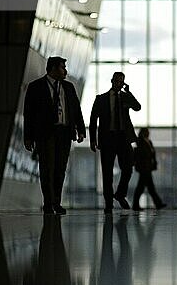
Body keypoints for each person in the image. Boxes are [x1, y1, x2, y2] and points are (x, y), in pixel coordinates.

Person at [24, 56, 85, 215]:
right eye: (62, 67)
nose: (65, 71)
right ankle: (48, 203)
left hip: (65, 132)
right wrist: (28, 137)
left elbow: (76, 110)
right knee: (47, 168)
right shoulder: (36, 87)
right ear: (53, 69)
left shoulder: (68, 87)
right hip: (45, 133)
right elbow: (28, 114)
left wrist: (81, 129)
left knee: (60, 169)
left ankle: (56, 202)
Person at [89, 72, 142, 214]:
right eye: (117, 81)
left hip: (124, 138)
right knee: (107, 172)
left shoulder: (125, 97)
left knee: (128, 167)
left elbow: (138, 107)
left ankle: (120, 194)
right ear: (112, 81)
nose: (119, 84)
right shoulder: (101, 99)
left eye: (121, 82)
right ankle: (108, 204)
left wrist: (129, 93)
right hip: (107, 139)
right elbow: (93, 120)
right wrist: (92, 139)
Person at [132, 127, 166, 209]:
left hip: (147, 167)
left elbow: (151, 153)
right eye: (147, 132)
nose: (148, 133)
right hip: (144, 167)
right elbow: (142, 154)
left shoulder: (148, 141)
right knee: (146, 187)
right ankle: (157, 203)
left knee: (146, 187)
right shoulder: (141, 142)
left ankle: (157, 203)